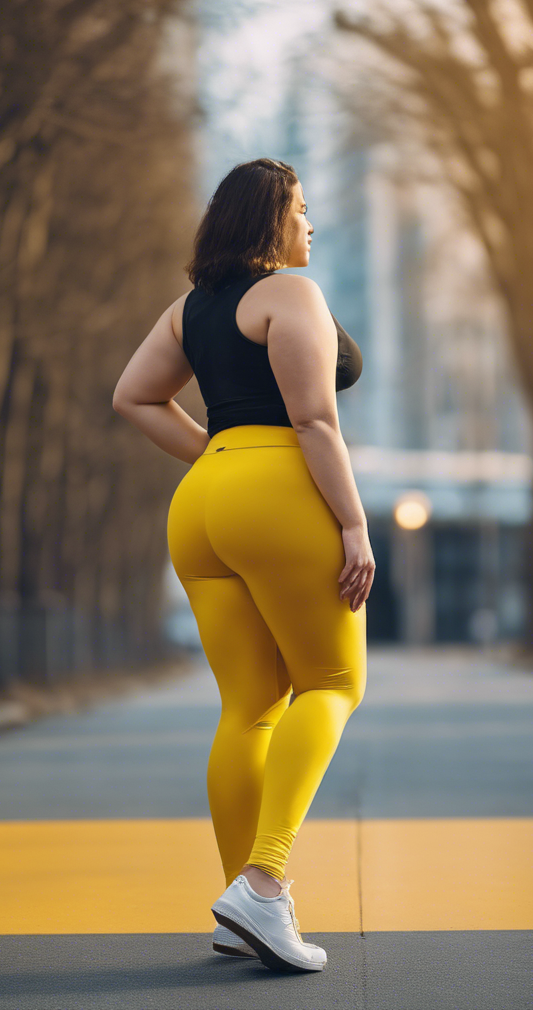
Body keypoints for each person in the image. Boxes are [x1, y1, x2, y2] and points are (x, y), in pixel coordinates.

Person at [112, 157, 374, 973]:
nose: (309, 223)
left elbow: (133, 396)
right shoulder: (292, 294)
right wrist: (357, 525)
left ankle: (241, 910)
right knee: (333, 684)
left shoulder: (189, 310)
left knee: (251, 705)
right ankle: (263, 886)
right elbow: (314, 422)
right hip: (279, 494)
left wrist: (214, 456)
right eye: (299, 208)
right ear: (268, 220)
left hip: (201, 508)